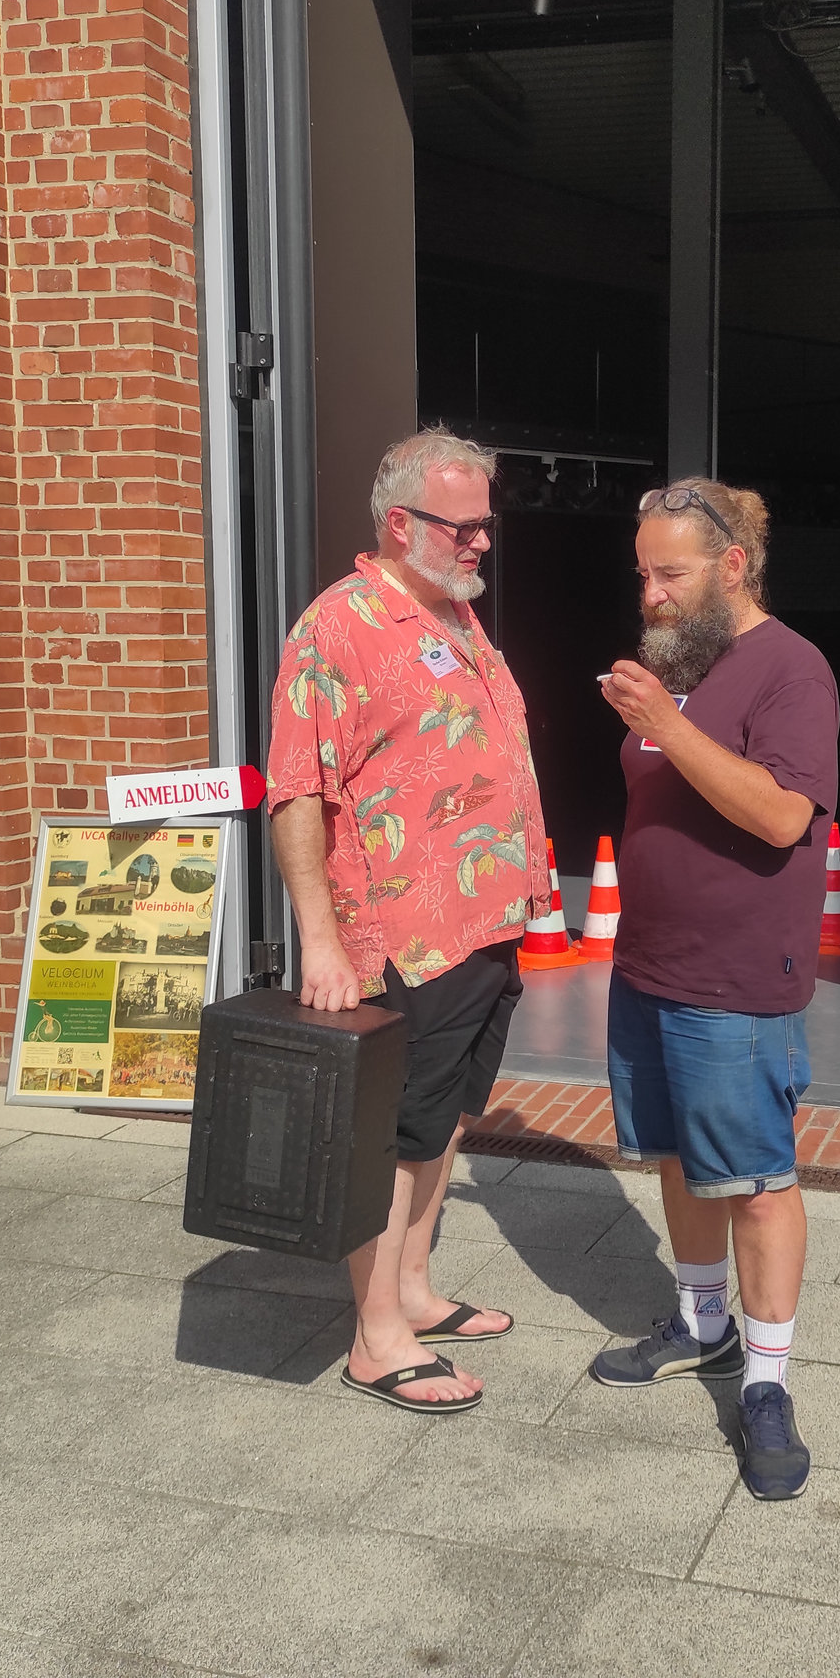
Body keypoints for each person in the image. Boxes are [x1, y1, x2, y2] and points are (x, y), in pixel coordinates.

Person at [264, 429, 551, 1414]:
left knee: (443, 1117)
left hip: (484, 921)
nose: (482, 541)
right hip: (404, 936)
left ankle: (414, 1289)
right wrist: (320, 941)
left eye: (485, 524)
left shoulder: (453, 614)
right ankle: (375, 1334)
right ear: (400, 522)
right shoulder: (336, 626)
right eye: (463, 526)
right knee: (390, 1135)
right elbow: (296, 791)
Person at [587, 477, 838, 1504]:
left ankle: (767, 1383)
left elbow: (782, 816)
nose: (649, 593)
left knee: (755, 1179)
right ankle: (703, 1324)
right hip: (649, 963)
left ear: (732, 566)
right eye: (642, 573)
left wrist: (666, 723)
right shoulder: (679, 666)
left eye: (670, 574)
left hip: (734, 979)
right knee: (678, 1159)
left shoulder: (792, 668)